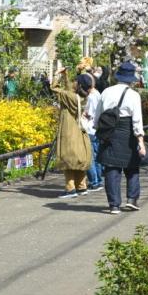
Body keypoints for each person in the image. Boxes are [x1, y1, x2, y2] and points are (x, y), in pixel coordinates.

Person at [95, 61, 147, 214]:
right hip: (127, 131)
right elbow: (137, 120)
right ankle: (131, 199)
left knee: (112, 168)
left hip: (109, 132)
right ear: (131, 79)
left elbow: (98, 116)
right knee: (132, 167)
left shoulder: (106, 92)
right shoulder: (133, 95)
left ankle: (114, 205)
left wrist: (99, 130)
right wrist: (141, 141)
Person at [51, 68, 93, 199]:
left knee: (68, 158)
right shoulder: (81, 97)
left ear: (79, 85)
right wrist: (66, 76)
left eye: (75, 81)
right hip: (80, 131)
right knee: (78, 159)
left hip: (70, 131)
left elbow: (54, 89)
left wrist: (56, 75)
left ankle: (70, 189)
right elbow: (70, 91)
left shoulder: (70, 97)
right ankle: (81, 186)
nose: (73, 82)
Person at [78, 74, 104, 193]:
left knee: (90, 157)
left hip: (89, 129)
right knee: (96, 156)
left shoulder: (92, 97)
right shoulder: (97, 94)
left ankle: (94, 182)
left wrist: (84, 113)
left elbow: (91, 114)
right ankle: (98, 180)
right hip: (96, 130)